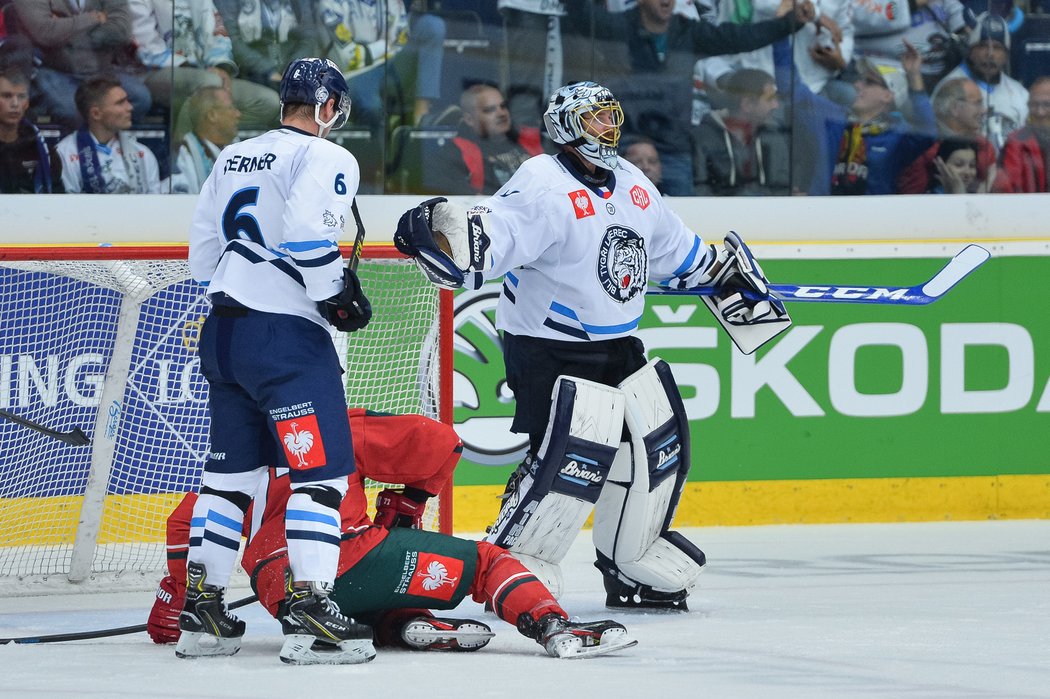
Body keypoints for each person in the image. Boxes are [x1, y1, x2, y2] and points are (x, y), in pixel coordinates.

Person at [392, 81, 791, 611]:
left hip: (618, 343)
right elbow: (498, 237)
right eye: (596, 118)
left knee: (653, 451)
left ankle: (633, 564)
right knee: (566, 464)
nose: (609, 128)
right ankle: (515, 569)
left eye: (611, 117)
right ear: (568, 126)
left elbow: (676, 249)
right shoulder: (541, 182)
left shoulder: (631, 181)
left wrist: (719, 272)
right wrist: (452, 236)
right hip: (549, 348)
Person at [147, 409, 637, 660]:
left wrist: (173, 604)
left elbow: (183, 524)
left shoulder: (233, 463)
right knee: (487, 562)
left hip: (280, 588)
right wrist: (407, 505)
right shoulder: (337, 425)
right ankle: (554, 627)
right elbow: (440, 441)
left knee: (369, 599)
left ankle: (400, 623)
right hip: (354, 557)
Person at [179, 57, 373, 665]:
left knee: (229, 479)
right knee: (320, 477)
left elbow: (202, 252)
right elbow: (311, 241)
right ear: (329, 107)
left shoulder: (235, 154)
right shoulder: (326, 156)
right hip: (284, 344)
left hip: (225, 335)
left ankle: (201, 613)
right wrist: (334, 296)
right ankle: (313, 617)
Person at [574, 0, 818, 195]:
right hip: (627, 145)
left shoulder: (688, 32)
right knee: (623, 217)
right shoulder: (619, 28)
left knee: (685, 225)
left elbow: (740, 37)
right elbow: (581, 18)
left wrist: (789, 23)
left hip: (675, 146)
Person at [773, 38, 936, 195]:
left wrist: (914, 76)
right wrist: (781, 33)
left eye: (869, 82)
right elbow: (792, 90)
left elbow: (928, 133)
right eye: (860, 80)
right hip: (824, 216)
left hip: (871, 219)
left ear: (888, 95)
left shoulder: (897, 134)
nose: (857, 85)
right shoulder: (832, 117)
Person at [128, 0, 280, 139]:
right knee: (209, 82)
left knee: (268, 102)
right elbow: (147, 50)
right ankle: (186, 152)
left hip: (207, 74)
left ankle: (216, 144)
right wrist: (195, 68)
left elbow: (218, 33)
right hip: (152, 74)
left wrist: (220, 66)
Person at [12, 0, 152, 129]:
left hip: (101, 70)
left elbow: (122, 31)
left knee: (140, 98)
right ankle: (81, 150)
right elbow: (45, 33)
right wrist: (92, 19)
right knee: (73, 111)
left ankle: (106, 147)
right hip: (53, 70)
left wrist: (65, 27)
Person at [317, 1, 446, 129]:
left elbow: (400, 44)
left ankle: (420, 118)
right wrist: (385, 46)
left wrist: (371, 50)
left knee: (432, 26)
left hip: (387, 70)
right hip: (349, 78)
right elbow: (348, 59)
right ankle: (388, 132)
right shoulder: (329, 2)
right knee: (370, 102)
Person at [931, 11, 1029, 151]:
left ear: (1007, 56)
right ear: (970, 50)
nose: (990, 54)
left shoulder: (1019, 93)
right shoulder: (949, 88)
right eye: (983, 45)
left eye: (997, 48)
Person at [427, 82, 543, 195]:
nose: (501, 113)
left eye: (503, 106)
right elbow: (436, 181)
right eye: (490, 110)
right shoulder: (456, 152)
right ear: (469, 119)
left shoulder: (531, 139)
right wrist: (472, 195)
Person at [692, 67, 790, 195]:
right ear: (747, 105)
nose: (776, 105)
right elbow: (699, 190)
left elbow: (782, 186)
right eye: (770, 99)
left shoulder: (774, 136)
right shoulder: (703, 138)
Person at [55, 75, 161, 193]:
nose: (130, 107)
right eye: (120, 103)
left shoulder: (142, 153)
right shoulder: (64, 153)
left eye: (128, 101)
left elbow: (154, 206)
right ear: (96, 114)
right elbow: (64, 207)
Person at [897, 77, 1002, 194]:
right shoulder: (921, 148)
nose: (983, 110)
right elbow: (912, 201)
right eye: (977, 103)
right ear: (955, 108)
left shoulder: (984, 146)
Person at [168, 86, 241, 193]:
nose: (238, 114)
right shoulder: (183, 153)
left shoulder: (239, 149)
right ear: (212, 115)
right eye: (231, 108)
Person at [0, 68, 61, 192]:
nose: (15, 104)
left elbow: (57, 196)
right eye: (7, 96)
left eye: (21, 96)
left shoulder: (42, 149)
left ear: (27, 103)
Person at [998, 76, 1050, 193]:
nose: (1039, 112)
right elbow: (1010, 191)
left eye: (1047, 105)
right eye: (1034, 105)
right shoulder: (1016, 143)